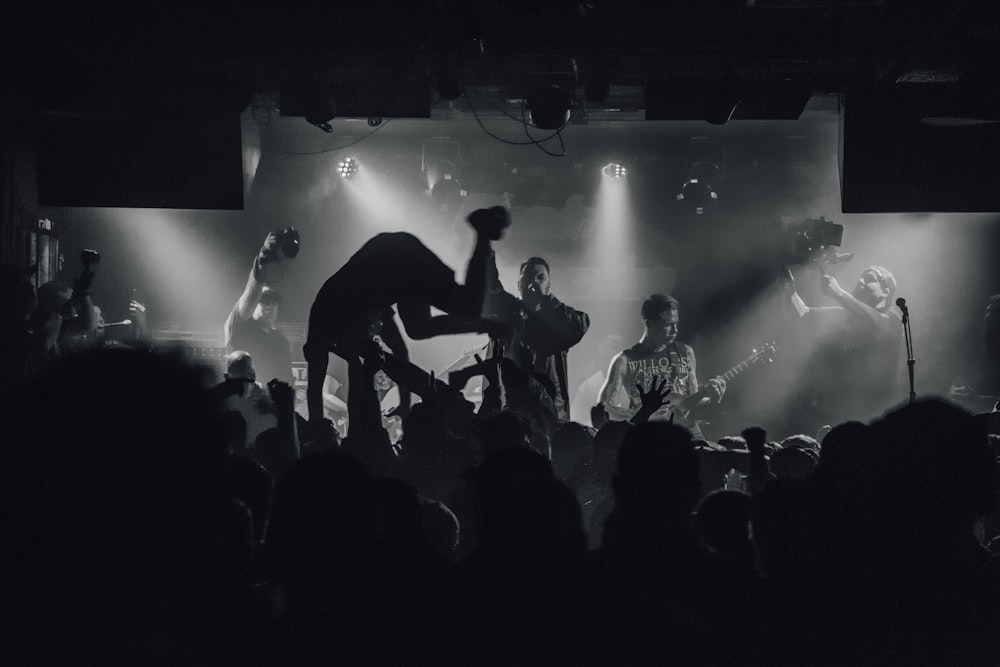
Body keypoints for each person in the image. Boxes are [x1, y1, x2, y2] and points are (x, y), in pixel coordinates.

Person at [303, 206, 511, 431]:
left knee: (467, 309)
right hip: (394, 260)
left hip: (398, 261)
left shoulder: (328, 317)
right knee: (419, 328)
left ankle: (482, 233)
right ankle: (484, 323)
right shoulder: (363, 304)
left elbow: (316, 387)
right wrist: (405, 404)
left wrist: (316, 426)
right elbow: (400, 353)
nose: (376, 334)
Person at [779, 264, 903, 427]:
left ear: (886, 291)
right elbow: (803, 313)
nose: (861, 281)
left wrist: (839, 293)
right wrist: (791, 291)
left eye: (870, 279)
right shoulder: (845, 315)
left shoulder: (892, 319)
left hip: (874, 411)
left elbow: (878, 324)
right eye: (860, 278)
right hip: (837, 408)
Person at [592, 294, 726, 434]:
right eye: (668, 325)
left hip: (687, 434)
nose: (676, 330)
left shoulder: (685, 352)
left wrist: (713, 399)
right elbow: (603, 408)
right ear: (649, 323)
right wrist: (644, 415)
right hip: (648, 436)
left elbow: (691, 405)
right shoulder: (625, 360)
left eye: (676, 324)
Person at [486, 256, 590, 421]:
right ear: (518, 285)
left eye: (540, 278)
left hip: (550, 416)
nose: (533, 282)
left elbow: (579, 325)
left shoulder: (557, 321)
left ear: (549, 286)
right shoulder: (507, 321)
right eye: (528, 277)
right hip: (510, 414)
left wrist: (547, 301)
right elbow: (490, 296)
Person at [224, 229, 298, 386]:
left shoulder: (280, 340)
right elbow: (252, 292)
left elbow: (288, 379)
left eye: (273, 303)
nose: (270, 306)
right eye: (264, 301)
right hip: (245, 403)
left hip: (273, 407)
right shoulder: (240, 326)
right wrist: (263, 257)